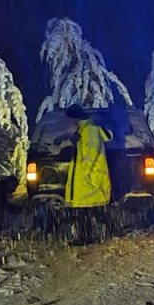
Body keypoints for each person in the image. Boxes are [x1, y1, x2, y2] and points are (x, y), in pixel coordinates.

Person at [64, 104, 113, 243]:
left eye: (71, 119)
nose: (70, 122)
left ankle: (87, 237)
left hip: (88, 179)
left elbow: (90, 157)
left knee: (86, 211)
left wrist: (85, 177)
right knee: (88, 211)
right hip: (87, 180)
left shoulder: (89, 130)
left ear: (76, 117)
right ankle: (92, 235)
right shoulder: (84, 130)